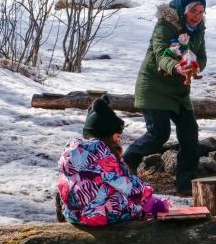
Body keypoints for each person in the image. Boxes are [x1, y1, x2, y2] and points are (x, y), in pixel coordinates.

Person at [123, 0, 207, 197]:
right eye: (193, 11)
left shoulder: (198, 30)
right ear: (183, 10)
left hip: (179, 91)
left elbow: (202, 56)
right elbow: (161, 54)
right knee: (159, 133)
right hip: (154, 87)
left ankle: (185, 184)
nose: (197, 16)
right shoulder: (164, 26)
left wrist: (195, 65)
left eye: (201, 11)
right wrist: (177, 67)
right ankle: (126, 162)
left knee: (190, 135)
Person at [59, 95, 167, 226]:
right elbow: (125, 184)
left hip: (74, 214)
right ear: (108, 133)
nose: (119, 139)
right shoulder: (103, 154)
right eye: (117, 135)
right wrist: (149, 198)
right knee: (130, 201)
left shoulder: (75, 152)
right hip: (99, 215)